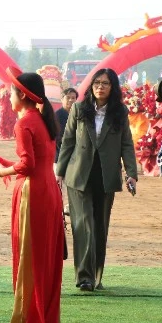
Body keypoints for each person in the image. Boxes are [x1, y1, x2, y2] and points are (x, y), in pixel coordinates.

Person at [0, 70, 64, 323]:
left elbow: (27, 165)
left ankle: (29, 322)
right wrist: (9, 165)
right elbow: (35, 160)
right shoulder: (45, 121)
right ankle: (45, 320)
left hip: (33, 193)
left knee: (29, 256)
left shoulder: (24, 123)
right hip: (50, 192)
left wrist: (2, 171)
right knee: (46, 257)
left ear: (22, 95)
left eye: (11, 92)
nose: (8, 96)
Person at [56, 68, 137, 292]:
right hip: (79, 176)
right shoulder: (80, 109)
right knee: (84, 226)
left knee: (100, 227)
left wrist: (131, 173)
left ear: (113, 87)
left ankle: (96, 276)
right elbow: (68, 141)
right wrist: (59, 173)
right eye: (97, 83)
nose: (100, 87)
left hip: (106, 176)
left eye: (106, 83)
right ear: (91, 86)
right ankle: (84, 278)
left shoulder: (119, 112)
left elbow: (126, 144)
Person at [54, 88, 78, 163]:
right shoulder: (57, 116)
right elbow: (59, 138)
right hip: (60, 156)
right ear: (62, 99)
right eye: (68, 97)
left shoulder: (78, 114)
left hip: (75, 156)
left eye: (73, 98)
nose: (71, 100)